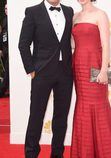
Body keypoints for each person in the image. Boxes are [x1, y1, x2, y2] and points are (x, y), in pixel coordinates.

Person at [71, 0, 111, 158]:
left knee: (98, 105)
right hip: (78, 65)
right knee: (82, 105)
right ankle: (84, 152)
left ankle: (104, 152)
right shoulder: (74, 17)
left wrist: (104, 70)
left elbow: (106, 45)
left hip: (95, 64)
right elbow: (71, 43)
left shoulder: (100, 14)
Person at [18, 0, 73, 157]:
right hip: (42, 72)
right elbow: (23, 44)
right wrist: (31, 69)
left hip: (65, 73)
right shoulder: (33, 11)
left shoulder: (69, 11)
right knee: (36, 115)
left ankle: (57, 153)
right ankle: (31, 153)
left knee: (61, 117)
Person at [0, 4, 9, 97]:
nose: (6, 10)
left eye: (8, 8)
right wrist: (1, 49)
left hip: (11, 51)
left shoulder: (12, 21)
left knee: (7, 73)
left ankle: (1, 91)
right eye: (5, 8)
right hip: (5, 50)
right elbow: (3, 36)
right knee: (7, 71)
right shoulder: (4, 20)